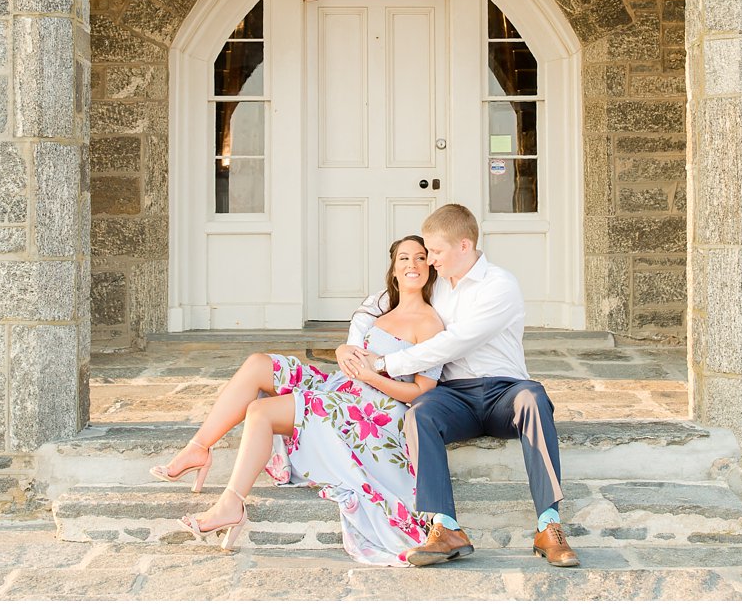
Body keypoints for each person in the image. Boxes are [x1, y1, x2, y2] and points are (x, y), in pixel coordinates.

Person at [149, 235, 445, 564]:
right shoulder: (381, 308)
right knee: (259, 364)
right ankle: (198, 448)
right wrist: (344, 350)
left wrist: (372, 377)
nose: (412, 265)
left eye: (420, 258)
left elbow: (421, 392)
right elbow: (352, 349)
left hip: (371, 409)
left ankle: (231, 505)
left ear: (430, 268)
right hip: (340, 385)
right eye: (404, 258)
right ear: (393, 269)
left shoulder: (431, 323)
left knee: (261, 412)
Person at [337, 203, 579, 568]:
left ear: (463, 247)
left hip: (504, 392)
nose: (428, 260)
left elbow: (457, 341)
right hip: (454, 395)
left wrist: (386, 364)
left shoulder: (499, 285)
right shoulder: (437, 287)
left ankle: (549, 525)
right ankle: (445, 527)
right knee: (420, 412)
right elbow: (385, 301)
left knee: (534, 397)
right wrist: (349, 343)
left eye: (435, 251)